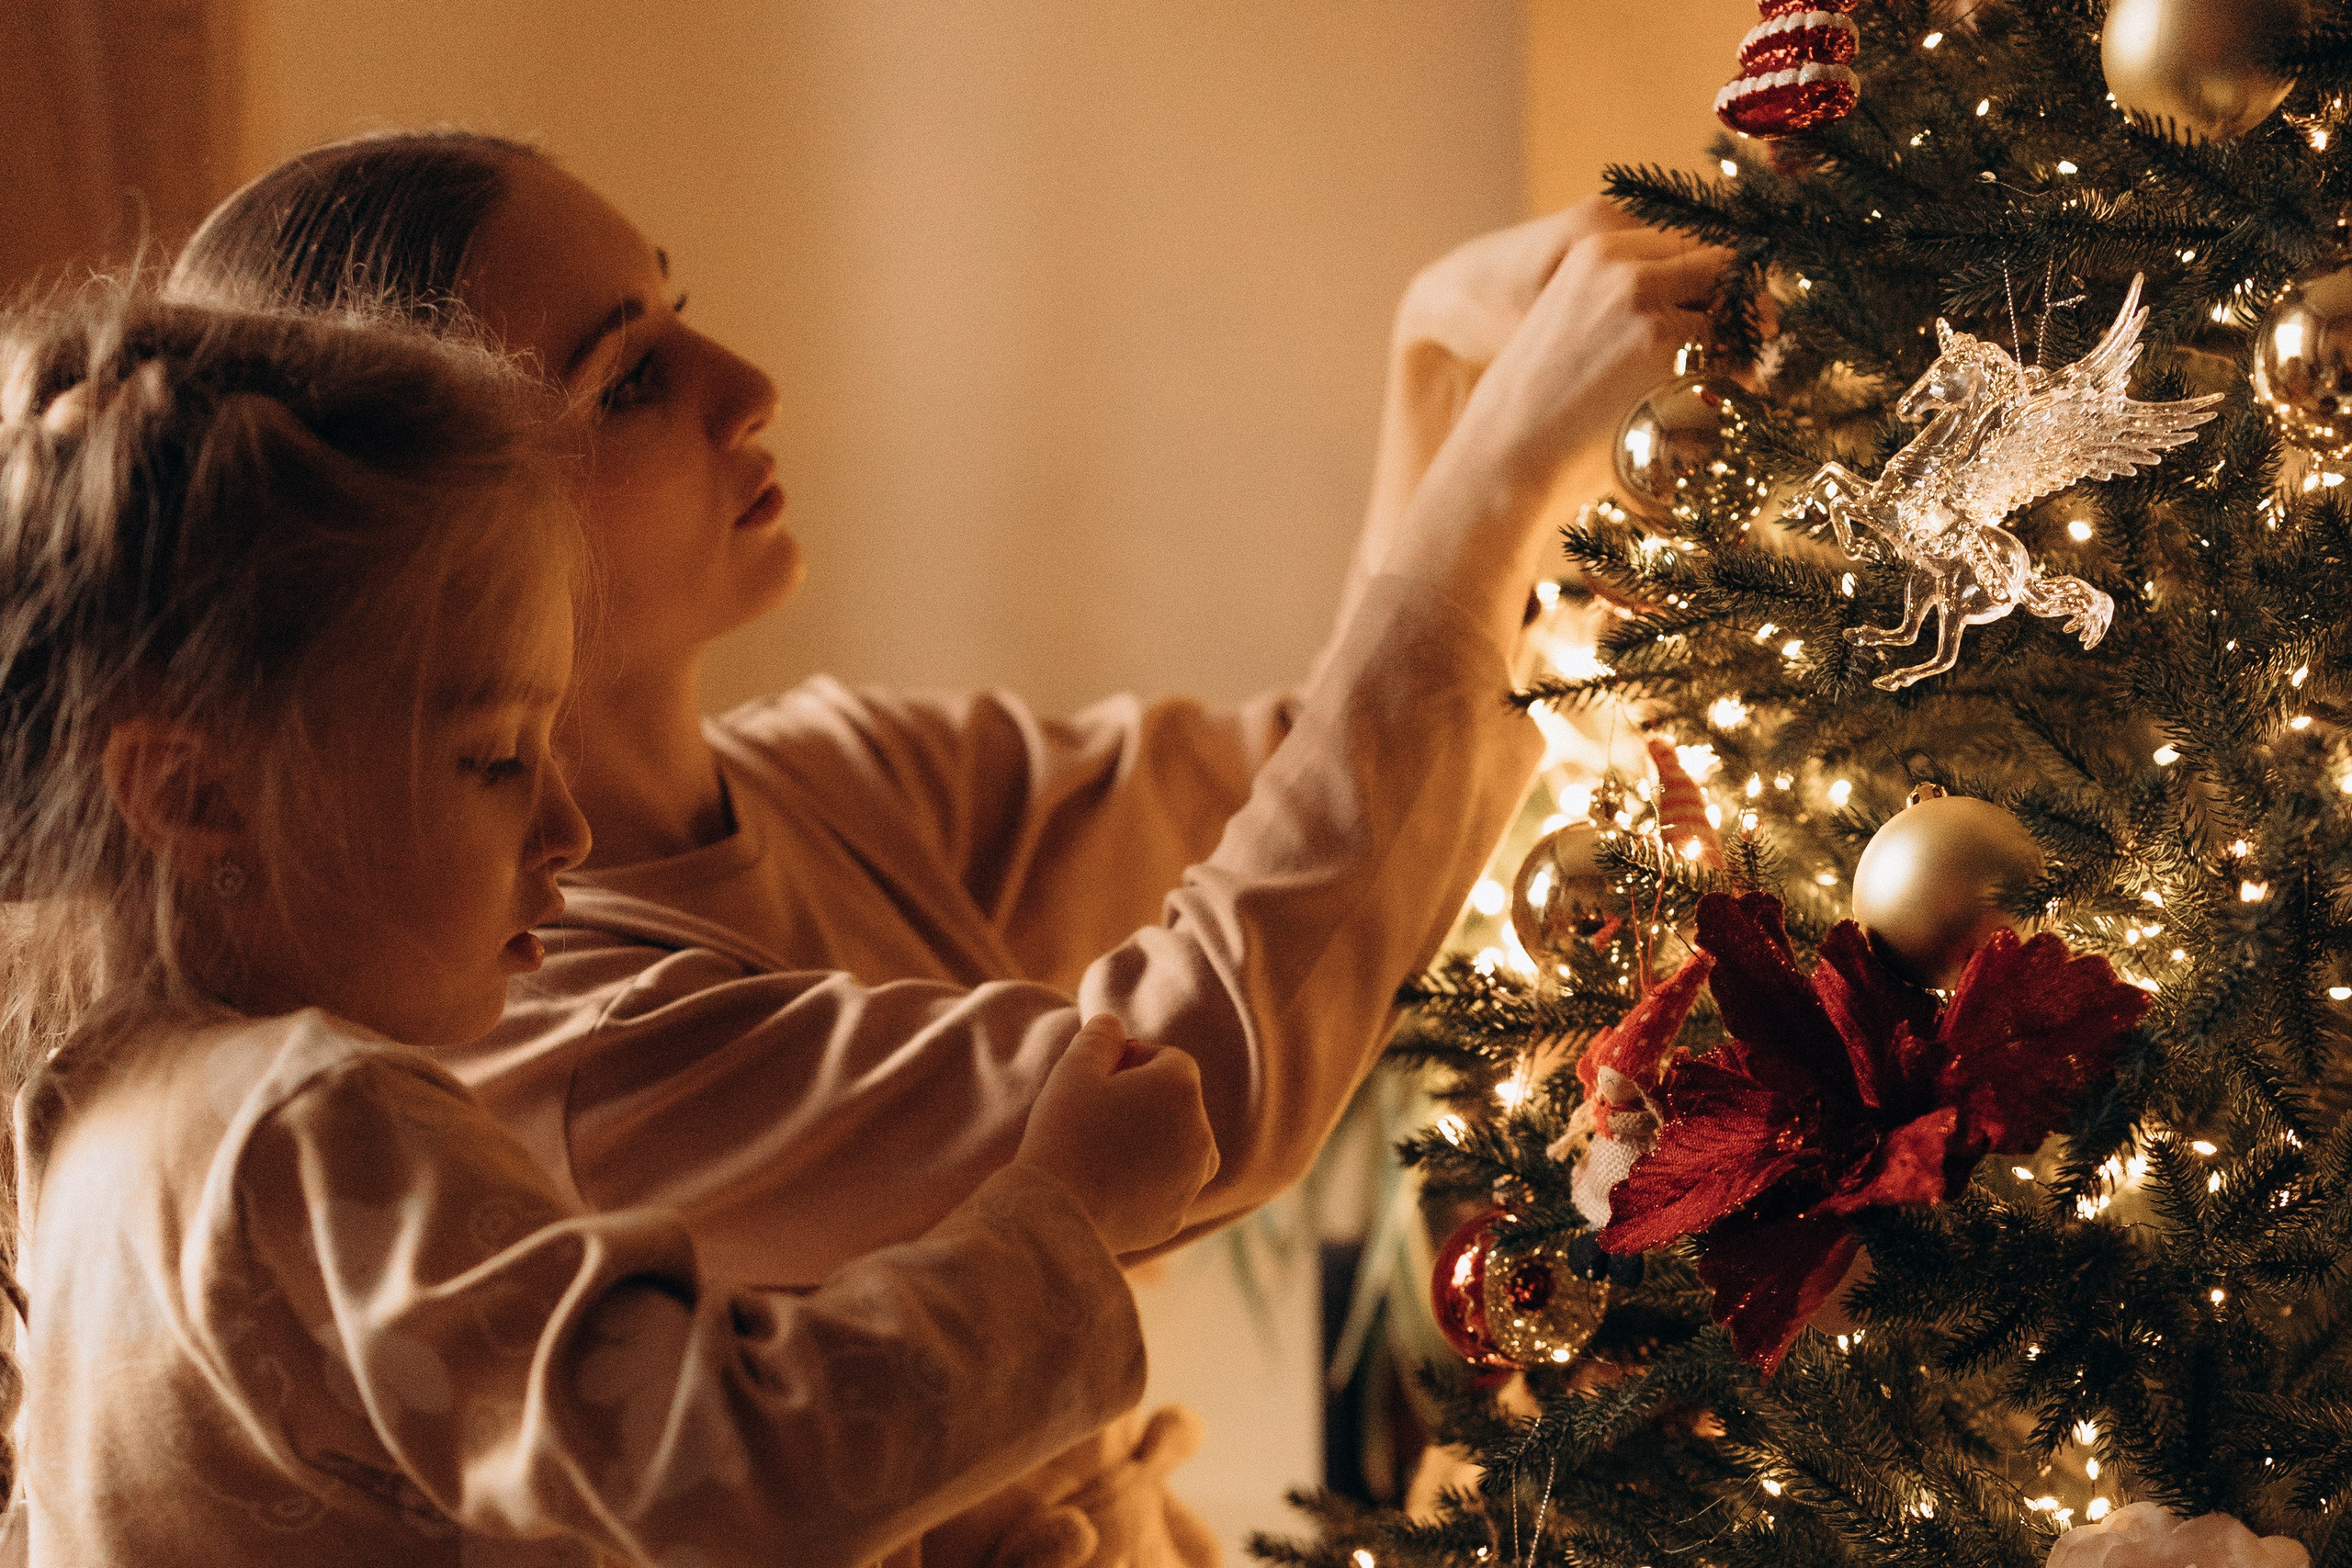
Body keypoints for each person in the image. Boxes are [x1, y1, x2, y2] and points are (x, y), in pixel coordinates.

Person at [172, 131, 1732, 1565]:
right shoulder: (551, 1036)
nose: (747, 383)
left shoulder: (835, 774)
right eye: (629, 378)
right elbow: (1203, 1087)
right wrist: (1502, 473)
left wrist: (1439, 367)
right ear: (437, 551)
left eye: (682, 311)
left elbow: (1304, 791)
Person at [0, 288, 1221, 1566]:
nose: (568, 832)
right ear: (196, 795)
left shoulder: (92, 1117)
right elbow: (726, 1473)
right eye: (496, 759)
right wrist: (1066, 1216)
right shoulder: (308, 1133)